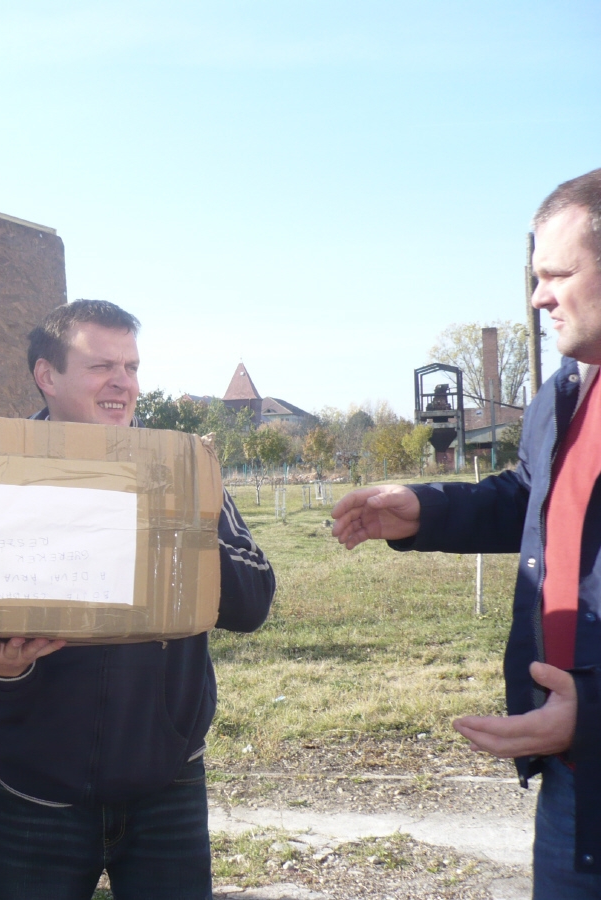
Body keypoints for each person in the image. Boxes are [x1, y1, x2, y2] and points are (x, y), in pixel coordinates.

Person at [0, 300, 276, 900]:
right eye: (101, 366)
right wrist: (1, 668)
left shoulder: (181, 466)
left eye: (131, 366)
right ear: (48, 376)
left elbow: (251, 603)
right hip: (37, 796)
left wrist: (172, 515)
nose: (123, 382)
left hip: (165, 788)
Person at [330, 167, 601, 899]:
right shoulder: (567, 392)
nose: (540, 297)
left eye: (558, 274)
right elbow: (531, 498)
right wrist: (424, 509)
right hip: (575, 782)